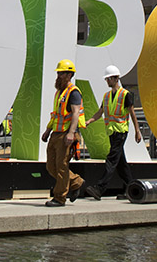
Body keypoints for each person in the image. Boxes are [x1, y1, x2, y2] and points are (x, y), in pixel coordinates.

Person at [83, 65, 143, 200]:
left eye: (108, 79)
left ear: (116, 78)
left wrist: (137, 131)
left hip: (121, 132)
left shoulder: (125, 95)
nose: (107, 81)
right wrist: (89, 121)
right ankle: (131, 188)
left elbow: (132, 114)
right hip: (112, 133)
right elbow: (100, 113)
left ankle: (99, 188)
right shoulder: (106, 96)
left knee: (111, 160)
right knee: (121, 163)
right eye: (106, 79)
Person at [41, 58, 85, 207]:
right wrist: (48, 130)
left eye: (61, 73)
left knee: (61, 166)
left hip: (66, 134)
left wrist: (71, 134)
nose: (58, 76)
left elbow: (75, 114)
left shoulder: (73, 92)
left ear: (69, 75)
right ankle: (76, 182)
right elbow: (56, 115)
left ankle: (59, 198)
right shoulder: (60, 93)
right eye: (58, 73)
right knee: (51, 166)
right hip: (56, 133)